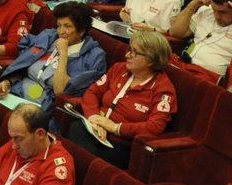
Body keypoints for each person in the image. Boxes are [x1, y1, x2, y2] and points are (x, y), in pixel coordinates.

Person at [67, 29, 176, 167]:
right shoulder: (119, 69)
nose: (127, 55)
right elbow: (92, 93)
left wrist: (115, 127)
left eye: (134, 52)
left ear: (151, 60)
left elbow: (155, 127)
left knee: (90, 160)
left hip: (120, 144)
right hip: (94, 128)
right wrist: (93, 118)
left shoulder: (163, 90)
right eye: (129, 49)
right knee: (75, 130)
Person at [0, 0, 108, 105]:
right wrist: (8, 81)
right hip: (17, 90)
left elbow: (60, 90)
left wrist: (63, 54)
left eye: (67, 26)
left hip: (43, 104)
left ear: (82, 31)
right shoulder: (49, 36)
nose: (61, 32)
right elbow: (24, 63)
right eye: (59, 26)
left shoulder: (94, 57)